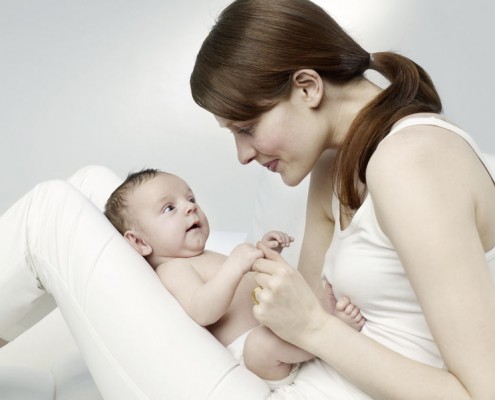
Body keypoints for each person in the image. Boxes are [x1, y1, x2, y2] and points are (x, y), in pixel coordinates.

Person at [188, 0, 495, 398]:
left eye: (246, 128)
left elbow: (482, 392)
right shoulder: (331, 165)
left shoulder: (411, 162)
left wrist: (313, 327)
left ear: (307, 87)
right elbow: (303, 321)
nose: (242, 155)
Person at [103, 168, 364, 387]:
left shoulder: (204, 256)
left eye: (190, 198)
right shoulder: (172, 269)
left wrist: (265, 253)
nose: (190, 207)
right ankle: (329, 338)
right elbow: (202, 310)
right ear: (140, 242)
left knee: (303, 294)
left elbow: (247, 287)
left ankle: (322, 322)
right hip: (251, 356)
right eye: (169, 208)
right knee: (260, 344)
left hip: (277, 329)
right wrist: (235, 265)